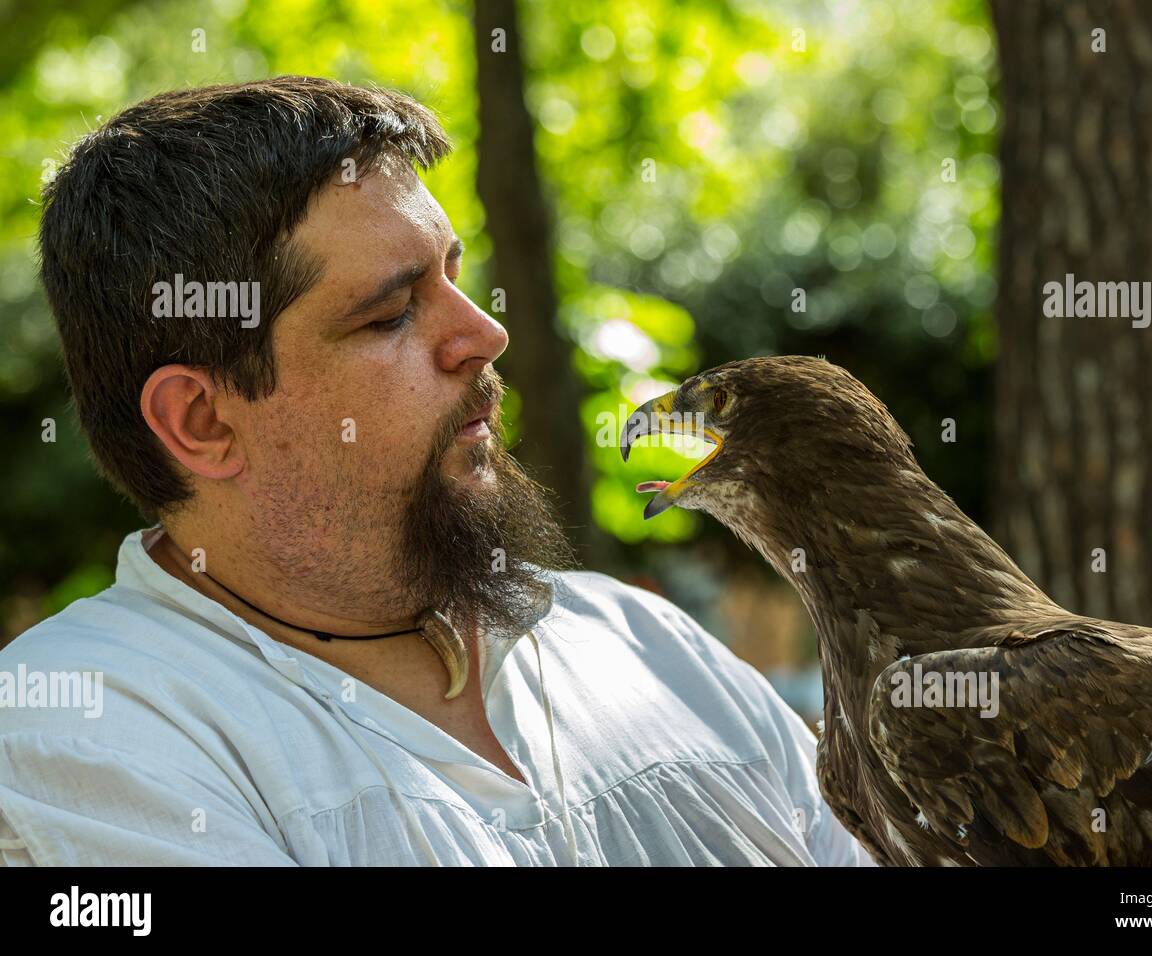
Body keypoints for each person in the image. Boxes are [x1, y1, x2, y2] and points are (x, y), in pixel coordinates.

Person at [0, 76, 874, 866]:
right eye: (389, 316)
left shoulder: (648, 644)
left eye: (455, 275)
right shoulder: (82, 727)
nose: (482, 335)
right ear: (201, 421)